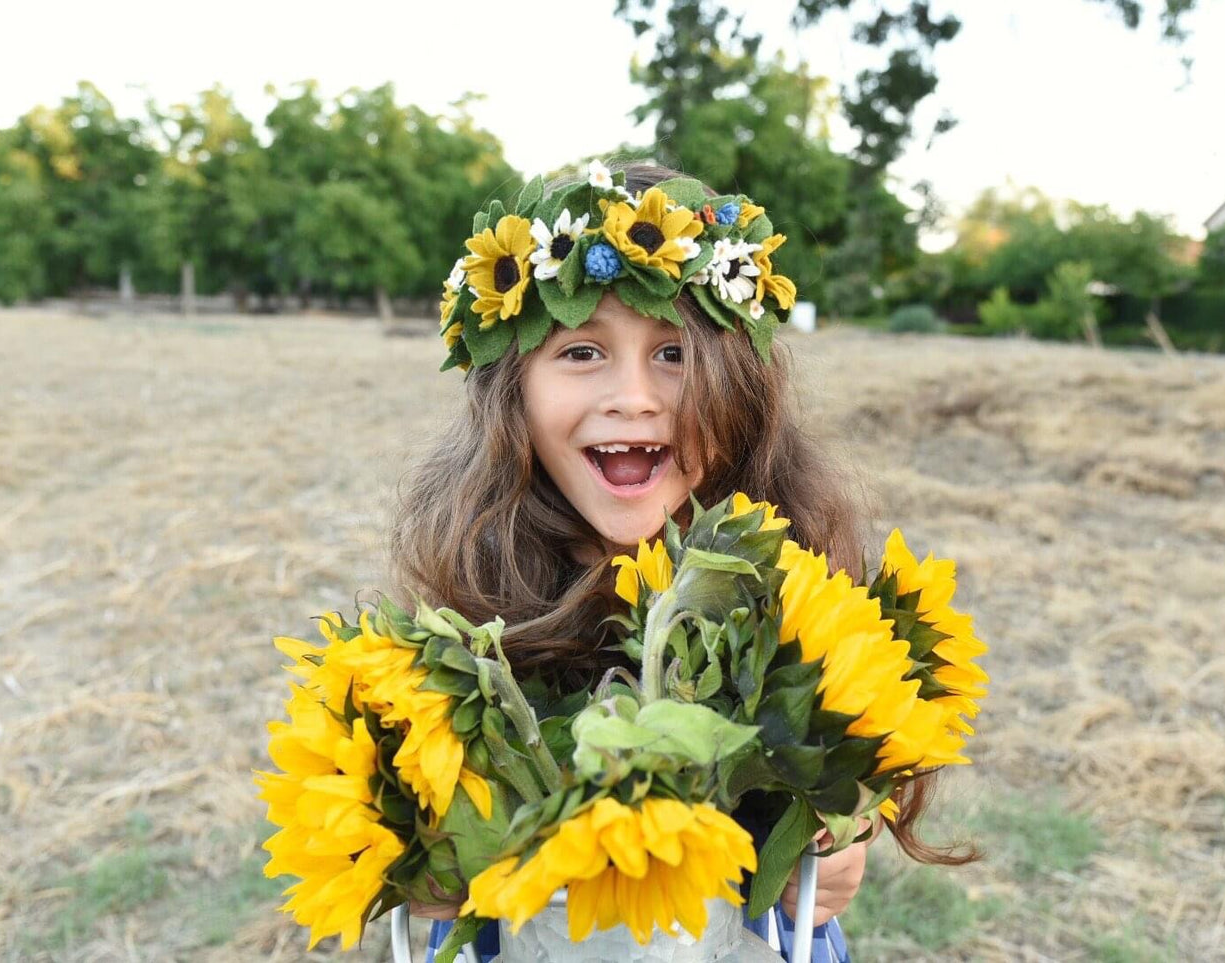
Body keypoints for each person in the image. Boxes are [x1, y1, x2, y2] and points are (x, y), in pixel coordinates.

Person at [386, 162, 972, 961]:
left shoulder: (798, 583)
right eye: (583, 350)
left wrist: (840, 836)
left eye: (674, 354)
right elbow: (419, 824)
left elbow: (854, 761)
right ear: (510, 392)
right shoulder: (478, 598)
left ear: (745, 392)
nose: (633, 395)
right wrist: (423, 859)